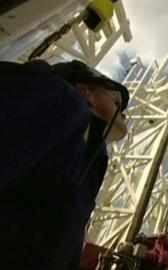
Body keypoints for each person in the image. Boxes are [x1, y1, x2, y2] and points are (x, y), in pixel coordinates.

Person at [0, 59, 130, 269]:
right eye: (117, 102)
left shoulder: (90, 164)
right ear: (87, 92)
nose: (124, 113)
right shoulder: (64, 100)